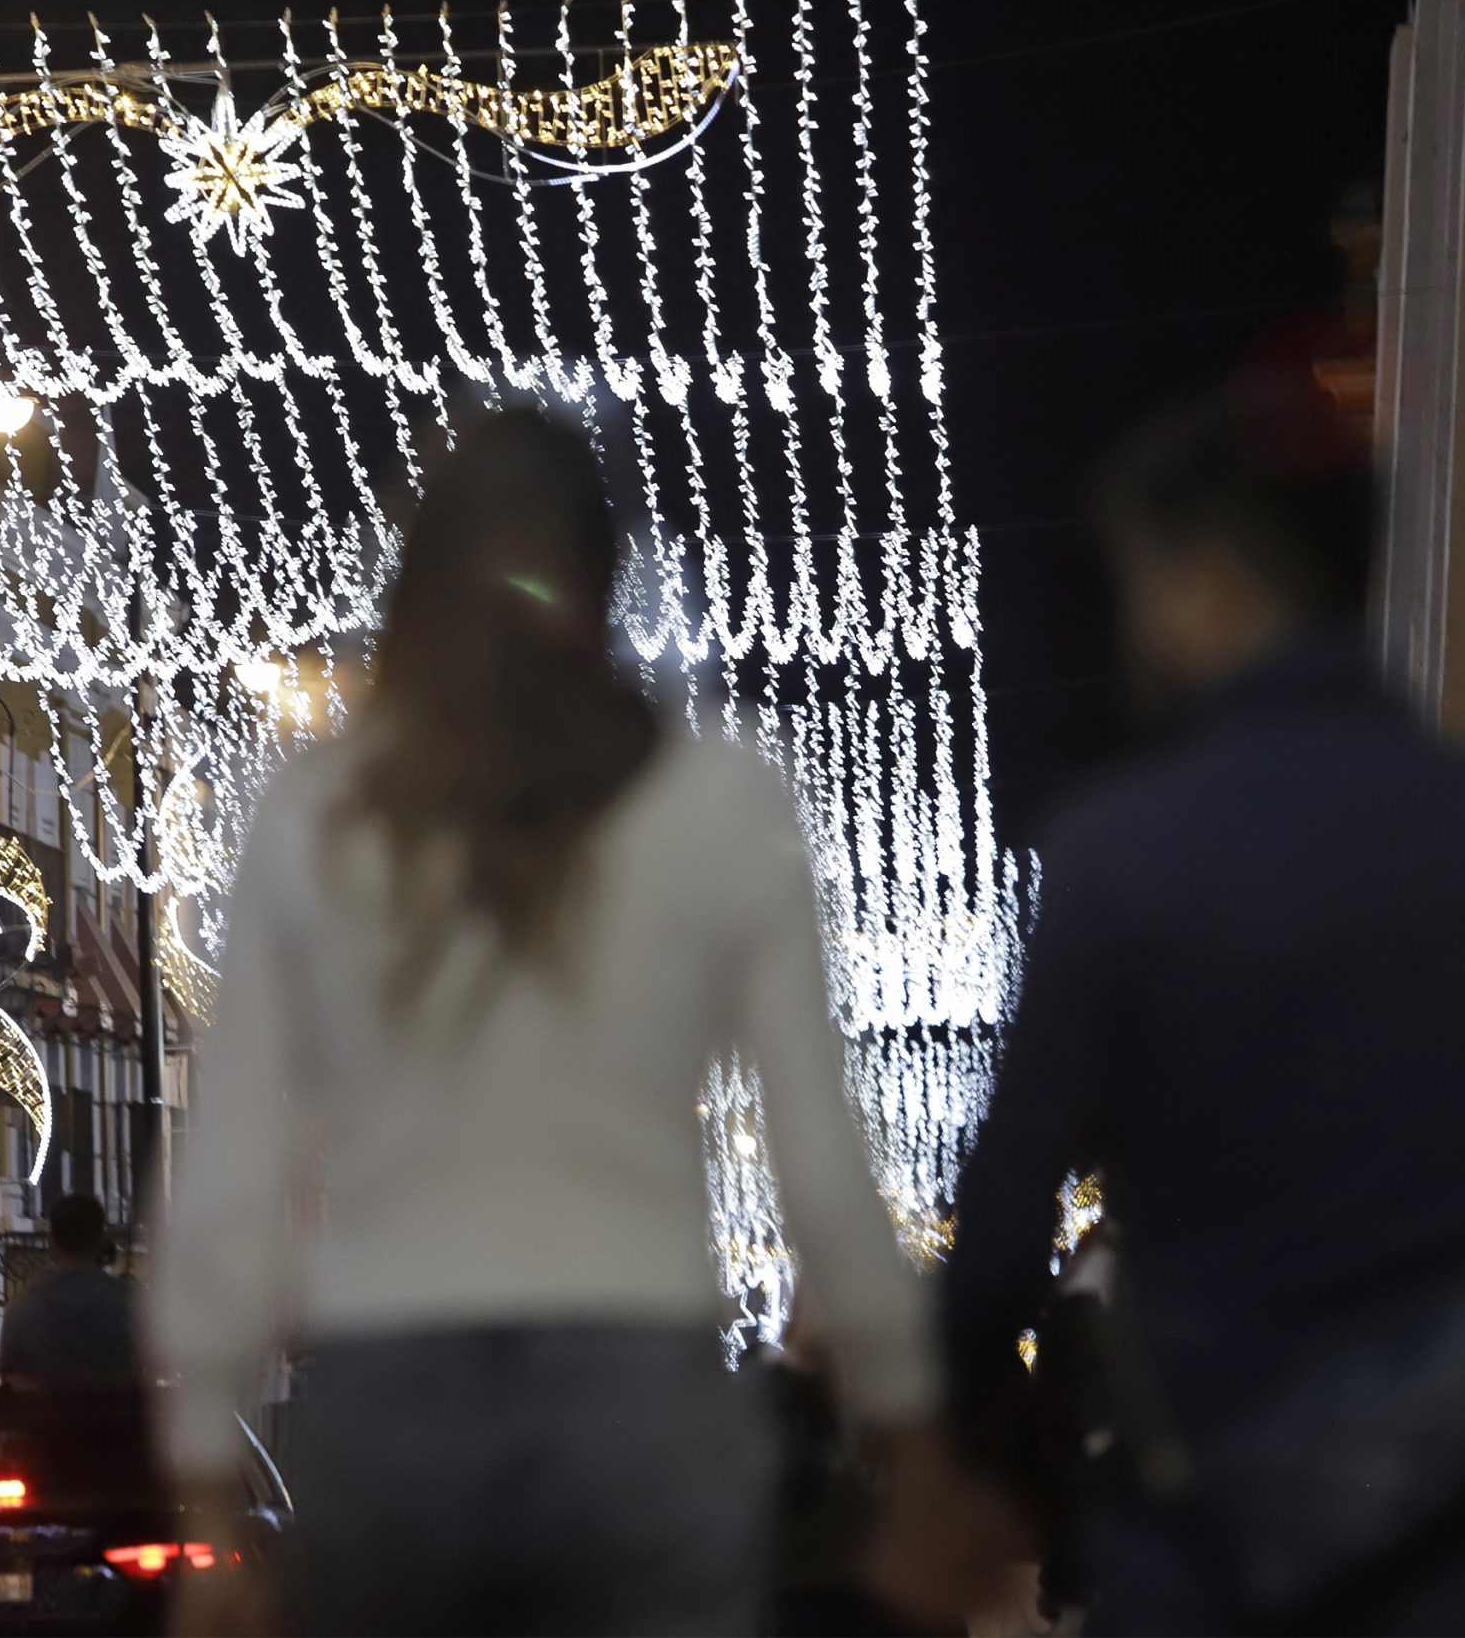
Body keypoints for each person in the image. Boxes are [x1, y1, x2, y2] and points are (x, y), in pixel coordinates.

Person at [150, 408, 998, 1634]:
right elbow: (822, 1160)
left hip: (392, 1407)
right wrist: (916, 1452)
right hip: (639, 1392)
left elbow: (228, 1172)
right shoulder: (716, 803)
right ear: (604, 580)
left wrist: (205, 1504)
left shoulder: (320, 815)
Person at [939, 363, 1465, 1634]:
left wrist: (933, 1448)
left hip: (1213, 1552)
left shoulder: (1125, 855)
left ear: (1209, 582)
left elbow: (1002, 1238)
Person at [0, 1192, 138, 1379]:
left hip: (43, 1408)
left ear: (52, 1242)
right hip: (112, 1408)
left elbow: (8, 1377)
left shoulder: (21, 1311)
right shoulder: (128, 1304)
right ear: (100, 1240)